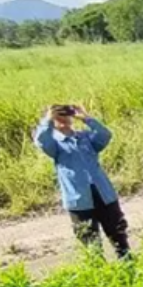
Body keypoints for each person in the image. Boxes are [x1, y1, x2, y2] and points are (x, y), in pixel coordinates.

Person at [32, 104, 130, 258]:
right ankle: (99, 275)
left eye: (65, 114)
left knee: (118, 236)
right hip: (78, 199)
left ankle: (128, 267)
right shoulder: (55, 144)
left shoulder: (85, 137)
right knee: (90, 243)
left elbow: (105, 135)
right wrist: (48, 120)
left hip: (103, 193)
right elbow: (41, 141)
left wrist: (86, 118)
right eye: (58, 116)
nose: (62, 118)